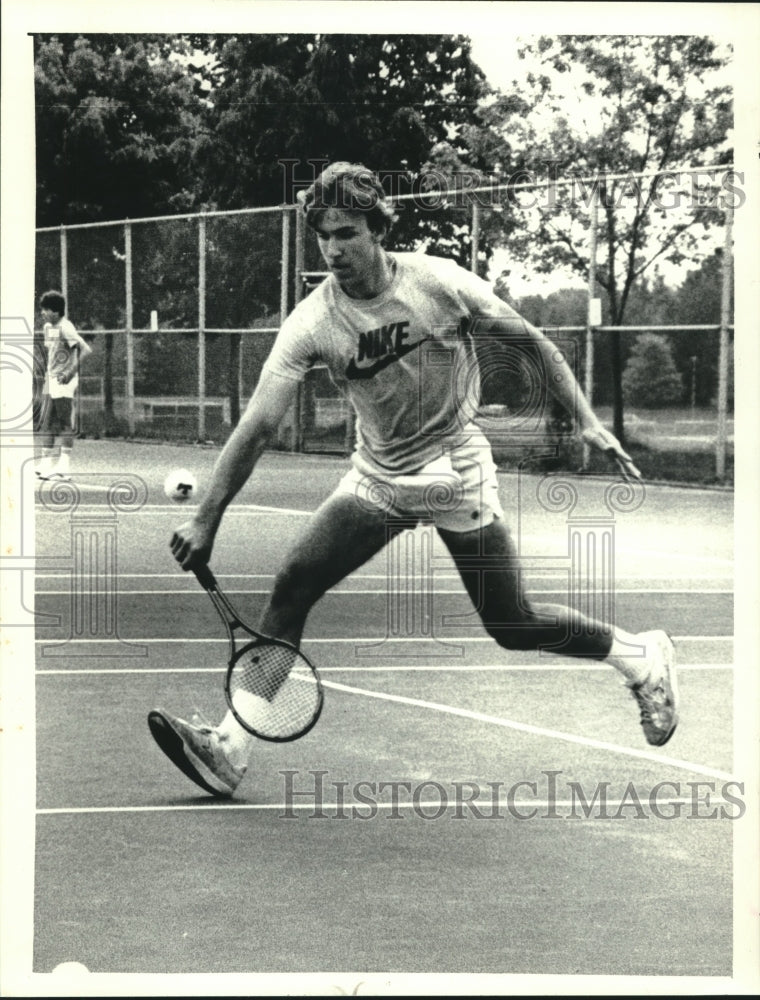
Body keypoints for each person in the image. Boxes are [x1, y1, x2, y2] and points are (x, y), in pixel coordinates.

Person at [149, 162, 678, 798]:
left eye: (346, 233)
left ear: (377, 228)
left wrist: (587, 420)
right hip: (380, 476)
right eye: (322, 236)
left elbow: (532, 342)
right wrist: (206, 517)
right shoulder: (312, 322)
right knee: (292, 586)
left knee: (511, 623)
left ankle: (640, 658)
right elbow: (259, 425)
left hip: (456, 468)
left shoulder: (438, 283)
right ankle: (232, 746)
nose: (334, 249)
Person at [35, 290, 92, 481]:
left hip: (63, 380)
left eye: (46, 309)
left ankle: (64, 467)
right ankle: (46, 463)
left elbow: (85, 350)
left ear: (56, 311)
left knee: (64, 421)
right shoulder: (48, 327)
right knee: (46, 420)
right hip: (51, 379)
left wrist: (70, 373)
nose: (43, 312)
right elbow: (53, 353)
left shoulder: (66, 327)